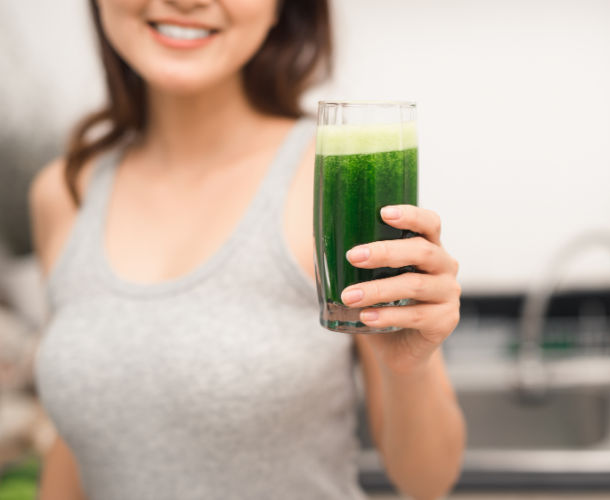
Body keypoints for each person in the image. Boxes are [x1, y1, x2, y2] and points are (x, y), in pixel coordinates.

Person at [29, 0, 465, 498]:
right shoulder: (63, 194)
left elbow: (427, 480)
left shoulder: (336, 180)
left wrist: (408, 368)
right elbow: (80, 444)